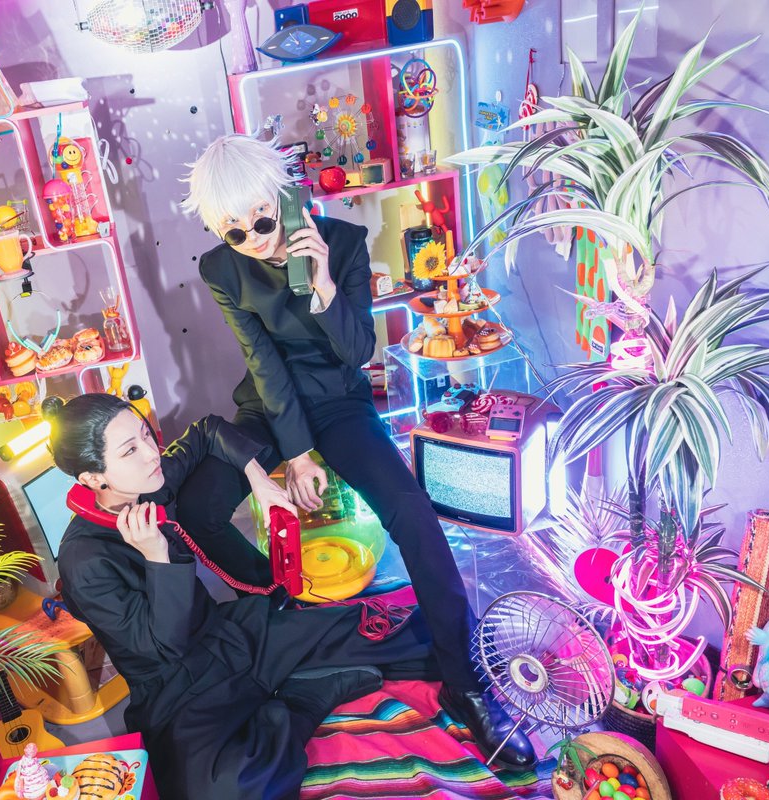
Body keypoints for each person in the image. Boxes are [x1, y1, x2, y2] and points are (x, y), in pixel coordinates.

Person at [178, 133, 535, 770]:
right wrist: (296, 454)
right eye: (233, 229)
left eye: (262, 217)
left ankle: (464, 683)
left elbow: (355, 352)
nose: (253, 237)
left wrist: (320, 283)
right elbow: (263, 362)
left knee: (413, 515)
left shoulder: (342, 242)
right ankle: (276, 618)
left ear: (284, 197)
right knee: (198, 506)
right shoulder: (221, 269)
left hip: (340, 401)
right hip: (270, 403)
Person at [49, 393, 441, 800]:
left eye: (146, 435)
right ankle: (304, 701)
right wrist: (156, 556)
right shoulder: (83, 561)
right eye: (130, 450)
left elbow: (207, 430)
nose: (152, 453)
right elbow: (165, 645)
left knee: (392, 636)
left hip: (230, 636)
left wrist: (259, 480)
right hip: (178, 691)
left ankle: (291, 683)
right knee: (225, 789)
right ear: (93, 478)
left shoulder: (147, 484)